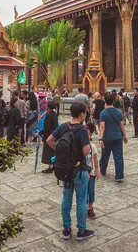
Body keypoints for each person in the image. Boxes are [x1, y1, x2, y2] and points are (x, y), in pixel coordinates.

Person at [46, 102, 95, 241]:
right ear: (81, 114)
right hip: (80, 169)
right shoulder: (82, 130)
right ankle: (81, 230)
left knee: (66, 198)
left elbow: (49, 140)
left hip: (65, 170)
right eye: (84, 113)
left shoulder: (63, 127)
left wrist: (62, 152)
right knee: (81, 200)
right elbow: (85, 152)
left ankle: (66, 229)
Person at [99, 92, 128, 182]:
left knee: (105, 155)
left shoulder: (103, 113)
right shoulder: (118, 112)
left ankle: (103, 170)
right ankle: (119, 175)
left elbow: (102, 126)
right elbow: (121, 124)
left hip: (107, 137)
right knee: (118, 156)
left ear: (105, 101)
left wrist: (100, 138)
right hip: (117, 137)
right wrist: (124, 135)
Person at [85, 122, 100, 218]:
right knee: (84, 191)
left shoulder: (92, 146)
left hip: (92, 172)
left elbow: (95, 159)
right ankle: (84, 207)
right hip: (82, 172)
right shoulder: (80, 146)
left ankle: (90, 207)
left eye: (88, 134)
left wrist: (97, 170)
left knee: (91, 190)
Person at [41, 101, 59, 173]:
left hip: (48, 135)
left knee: (48, 151)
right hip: (54, 135)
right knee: (53, 151)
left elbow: (47, 128)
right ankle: (54, 165)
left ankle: (50, 166)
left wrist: (39, 133)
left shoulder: (49, 115)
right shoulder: (55, 114)